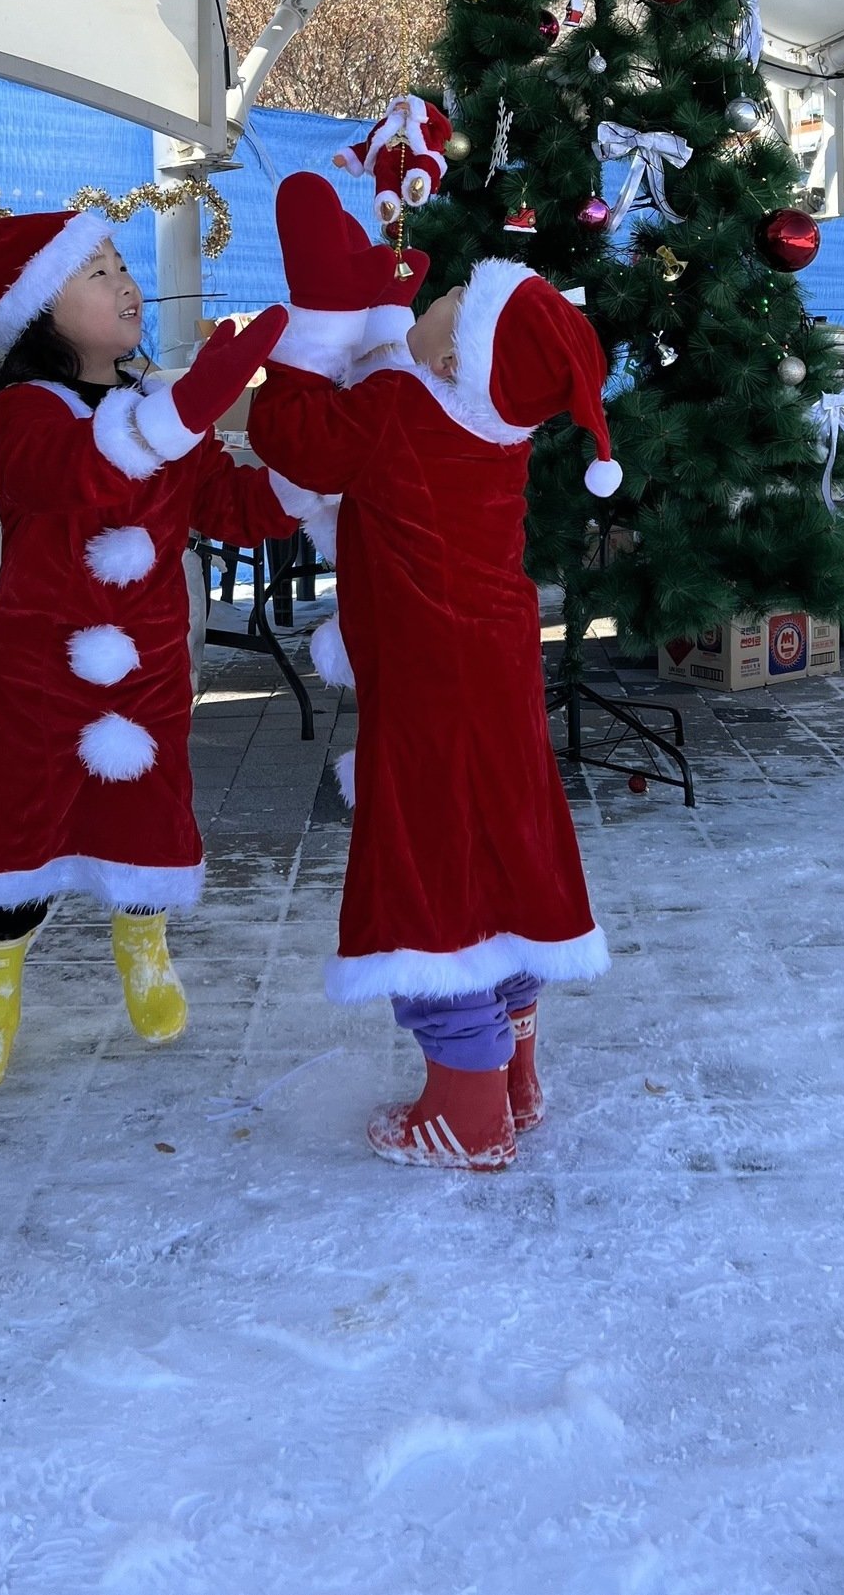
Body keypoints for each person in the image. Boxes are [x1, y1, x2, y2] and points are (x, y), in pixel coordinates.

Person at [247, 173, 618, 1171]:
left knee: (429, 876)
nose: (427, 298)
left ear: (454, 354)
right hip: (491, 671)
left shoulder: (401, 411)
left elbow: (297, 439)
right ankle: (515, 1071)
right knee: (498, 852)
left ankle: (466, 1103)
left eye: (446, 299)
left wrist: (291, 356)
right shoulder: (490, 434)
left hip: (424, 684)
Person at [0, 209, 291, 1090]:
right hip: (37, 676)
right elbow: (77, 470)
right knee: (13, 841)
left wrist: (316, 472)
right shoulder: (20, 410)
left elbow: (225, 504)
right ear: (39, 309)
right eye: (98, 270)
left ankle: (145, 951)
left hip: (149, 670)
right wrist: (193, 401)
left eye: (123, 263)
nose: (127, 282)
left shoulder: (154, 398)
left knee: (148, 825)